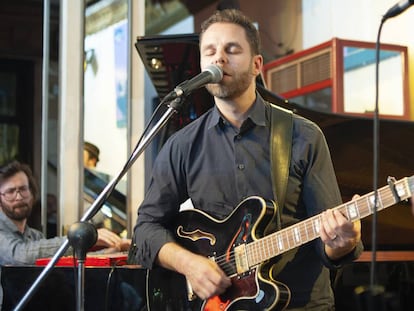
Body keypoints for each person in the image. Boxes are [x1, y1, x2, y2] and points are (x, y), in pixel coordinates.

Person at [132, 9, 363, 310]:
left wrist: (341, 242)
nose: (219, 59)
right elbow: (146, 229)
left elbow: (329, 246)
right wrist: (189, 263)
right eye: (210, 51)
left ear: (257, 65)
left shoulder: (303, 136)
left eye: (232, 49)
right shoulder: (183, 145)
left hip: (300, 304)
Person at [0, 160, 130, 266]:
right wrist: (80, 238)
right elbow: (19, 255)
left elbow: (65, 261)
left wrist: (112, 251)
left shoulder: (35, 236)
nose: (18, 197)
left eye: (23, 189)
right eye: (10, 192)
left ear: (32, 192)